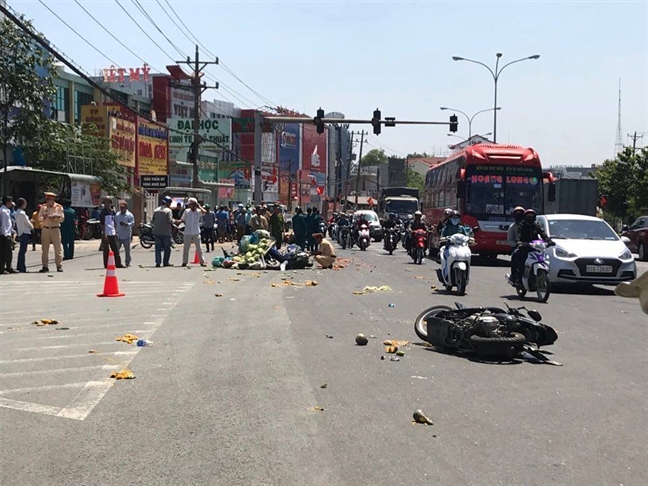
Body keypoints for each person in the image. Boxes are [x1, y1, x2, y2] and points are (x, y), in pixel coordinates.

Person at [511, 209, 551, 285]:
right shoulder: (521, 225)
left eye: (532, 216)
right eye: (528, 216)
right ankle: (517, 279)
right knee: (518, 257)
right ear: (525, 217)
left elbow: (543, 234)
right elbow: (518, 235)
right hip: (524, 248)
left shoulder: (536, 226)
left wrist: (549, 241)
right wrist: (519, 242)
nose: (530, 218)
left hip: (535, 248)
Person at [38, 192, 64, 273]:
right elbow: (39, 218)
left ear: (53, 199)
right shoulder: (43, 207)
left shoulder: (58, 207)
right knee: (45, 249)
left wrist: (55, 218)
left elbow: (62, 219)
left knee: (58, 248)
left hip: (55, 229)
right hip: (45, 229)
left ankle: (59, 265)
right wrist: (44, 217)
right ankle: (45, 266)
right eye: (47, 199)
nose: (48, 200)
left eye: (49, 199)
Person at [180, 197, 206, 267]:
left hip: (196, 232)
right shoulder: (186, 211)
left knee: (199, 248)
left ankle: (202, 262)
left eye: (191, 204)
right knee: (186, 248)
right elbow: (182, 220)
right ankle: (184, 262)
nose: (189, 206)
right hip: (187, 232)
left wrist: (199, 206)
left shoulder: (198, 211)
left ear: (194, 204)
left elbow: (204, 212)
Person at [99, 197, 123, 269]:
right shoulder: (103, 212)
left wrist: (116, 231)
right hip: (106, 232)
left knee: (115, 248)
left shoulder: (113, 212)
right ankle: (106, 265)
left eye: (108, 202)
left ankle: (118, 263)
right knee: (106, 249)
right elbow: (102, 224)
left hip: (112, 232)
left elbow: (114, 222)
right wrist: (104, 233)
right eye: (105, 202)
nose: (107, 204)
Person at [152, 196, 174, 267]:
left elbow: (153, 220)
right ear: (167, 203)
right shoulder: (168, 211)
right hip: (166, 232)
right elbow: (170, 221)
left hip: (157, 232)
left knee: (157, 248)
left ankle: (158, 262)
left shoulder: (156, 210)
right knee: (167, 248)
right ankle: (165, 262)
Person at [507, 206, 526, 283]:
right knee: (515, 256)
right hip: (517, 247)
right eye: (517, 214)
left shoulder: (529, 225)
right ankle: (513, 276)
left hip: (528, 246)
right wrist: (516, 244)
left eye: (521, 214)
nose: (519, 216)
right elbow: (509, 240)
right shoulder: (512, 227)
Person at [14, 198, 33, 273]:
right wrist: (32, 226)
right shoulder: (22, 213)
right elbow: (27, 223)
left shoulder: (17, 213)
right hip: (25, 232)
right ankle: (22, 267)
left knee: (21, 250)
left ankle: (20, 266)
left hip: (20, 232)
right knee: (23, 251)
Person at [115, 201, 135, 267]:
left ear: (126, 207)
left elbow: (132, 223)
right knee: (116, 250)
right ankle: (117, 262)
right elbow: (115, 223)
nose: (121, 209)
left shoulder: (129, 215)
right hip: (118, 235)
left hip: (126, 235)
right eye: (120, 207)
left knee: (127, 250)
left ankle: (127, 262)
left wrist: (126, 224)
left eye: (123, 207)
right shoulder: (117, 215)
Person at [0, 196, 16, 274]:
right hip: (4, 235)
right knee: (4, 253)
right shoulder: (3, 211)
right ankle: (2, 268)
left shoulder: (7, 210)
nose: (11, 203)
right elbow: (3, 224)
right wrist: (5, 234)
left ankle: (9, 267)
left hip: (8, 233)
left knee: (9, 252)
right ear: (7, 202)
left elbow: (8, 224)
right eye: (10, 201)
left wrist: (12, 231)